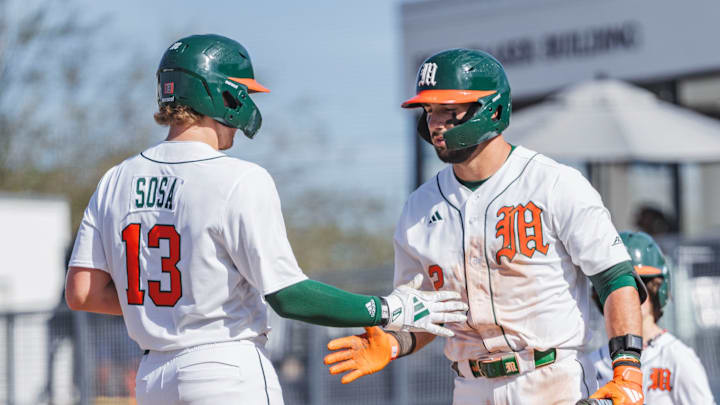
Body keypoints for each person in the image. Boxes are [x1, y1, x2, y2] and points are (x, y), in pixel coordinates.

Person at [63, 34, 468, 405]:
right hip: (223, 370)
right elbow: (287, 294)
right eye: (242, 92)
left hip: (153, 379)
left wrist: (173, 307)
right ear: (220, 94)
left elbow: (82, 292)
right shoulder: (238, 177)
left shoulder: (115, 179)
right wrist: (388, 308)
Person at [323, 48, 648, 405]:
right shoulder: (418, 209)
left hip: (552, 379)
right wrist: (393, 341)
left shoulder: (554, 184)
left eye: (449, 110)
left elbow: (615, 278)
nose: (435, 123)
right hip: (471, 386)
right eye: (429, 111)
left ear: (492, 109)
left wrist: (628, 369)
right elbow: (426, 313)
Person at [590, 231, 716, 404]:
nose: (624, 298)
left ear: (656, 290)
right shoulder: (593, 362)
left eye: (635, 289)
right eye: (616, 291)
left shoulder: (677, 357)